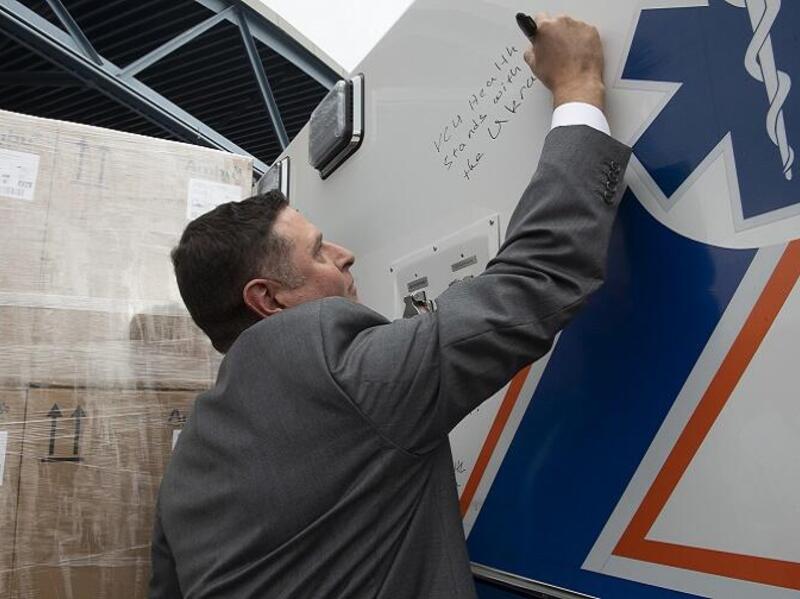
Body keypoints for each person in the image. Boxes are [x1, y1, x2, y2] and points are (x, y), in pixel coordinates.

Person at [150, 12, 631, 599]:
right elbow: (536, 280)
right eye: (319, 250)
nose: (347, 255)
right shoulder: (332, 369)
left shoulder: (188, 463)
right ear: (267, 298)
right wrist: (579, 90)